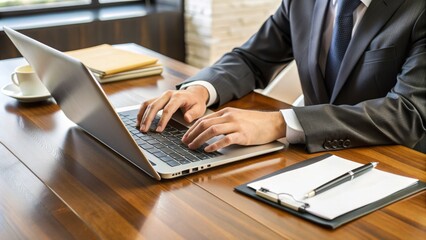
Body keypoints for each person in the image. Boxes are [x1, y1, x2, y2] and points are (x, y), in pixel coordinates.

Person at [137, 0, 426, 153]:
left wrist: (281, 122)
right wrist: (199, 90)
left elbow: (407, 114)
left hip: (399, 165)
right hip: (315, 159)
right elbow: (252, 58)